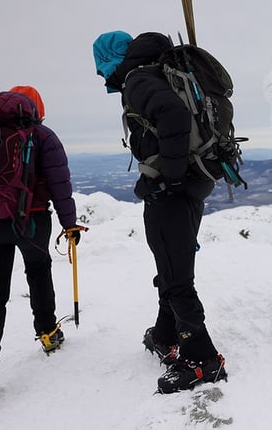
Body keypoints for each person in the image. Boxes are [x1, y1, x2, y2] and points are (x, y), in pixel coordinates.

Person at [93, 31, 226, 393]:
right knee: (172, 263)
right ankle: (166, 334)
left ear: (111, 60)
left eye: (100, 66)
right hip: (196, 181)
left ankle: (202, 359)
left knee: (177, 275)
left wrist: (168, 177)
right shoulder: (159, 73)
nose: (101, 75)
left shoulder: (138, 79)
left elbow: (172, 115)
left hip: (174, 188)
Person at [0, 85, 80, 406]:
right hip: (31, 222)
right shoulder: (44, 136)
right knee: (38, 272)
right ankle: (48, 332)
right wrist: (69, 223)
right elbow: (59, 184)